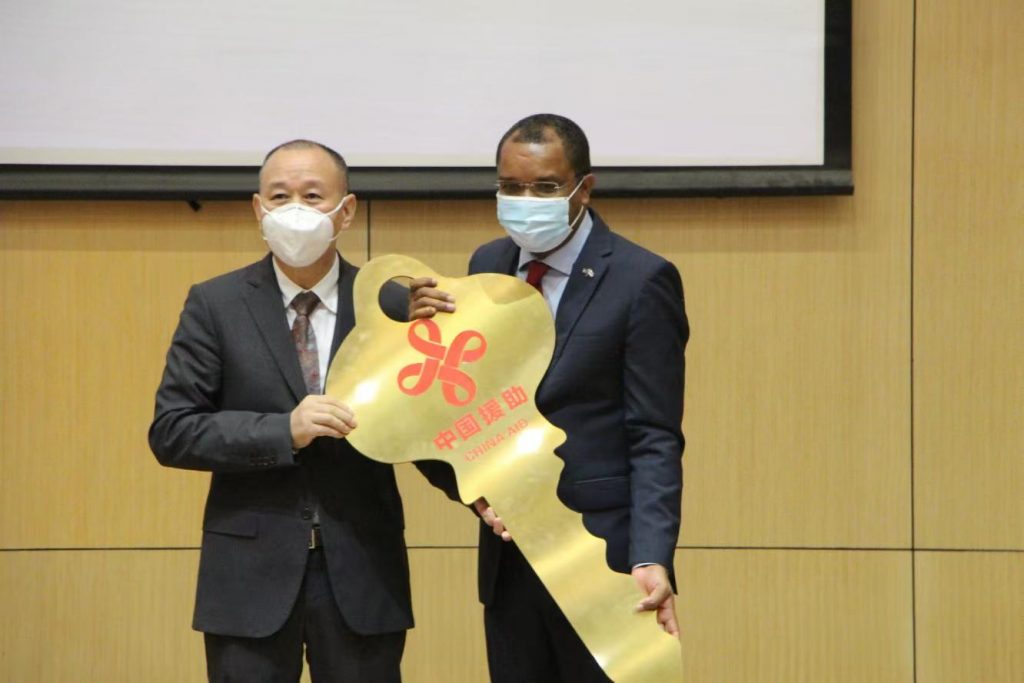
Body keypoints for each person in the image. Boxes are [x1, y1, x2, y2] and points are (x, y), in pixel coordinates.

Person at [411, 113, 689, 682]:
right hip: (510, 557)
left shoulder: (641, 279)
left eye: (544, 187)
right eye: (511, 188)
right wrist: (475, 492)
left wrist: (651, 555)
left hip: (603, 558)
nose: (525, 202)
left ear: (583, 189)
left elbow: (654, 436)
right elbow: (469, 405)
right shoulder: (486, 266)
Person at [149, 139, 413, 682]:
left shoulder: (389, 304)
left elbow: (425, 425)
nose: (295, 209)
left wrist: (484, 490)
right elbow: (173, 430)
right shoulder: (216, 304)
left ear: (346, 211)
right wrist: (283, 431)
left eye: (312, 196)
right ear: (258, 209)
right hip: (248, 575)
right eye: (279, 196)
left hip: (363, 569)